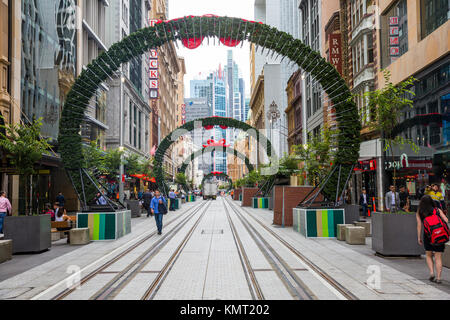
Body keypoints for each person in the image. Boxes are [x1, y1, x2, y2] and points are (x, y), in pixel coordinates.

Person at [416, 195, 449, 284]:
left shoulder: (420, 212)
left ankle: (431, 273)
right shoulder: (437, 210)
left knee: (429, 255)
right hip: (439, 235)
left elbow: (419, 225)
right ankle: (438, 277)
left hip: (428, 236)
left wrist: (419, 237)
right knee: (438, 257)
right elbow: (446, 220)